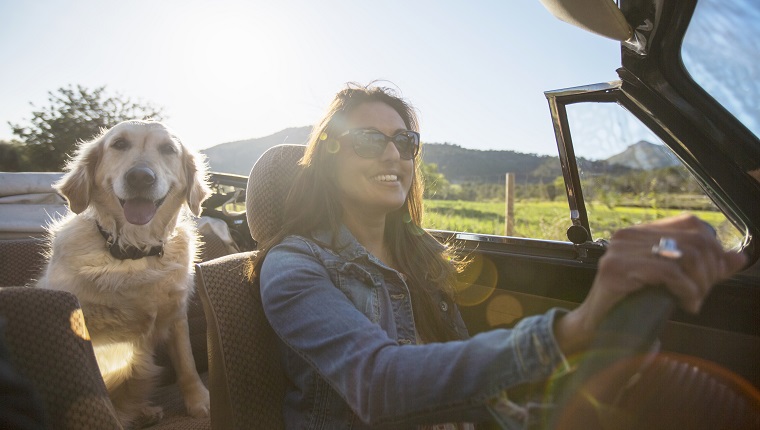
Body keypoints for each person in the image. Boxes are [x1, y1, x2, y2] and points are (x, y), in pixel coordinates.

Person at [252, 83, 747, 429]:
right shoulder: (293, 267)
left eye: (405, 141)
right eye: (368, 140)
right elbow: (379, 384)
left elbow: (458, 374)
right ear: (328, 157)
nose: (392, 155)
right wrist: (574, 331)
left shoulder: (421, 253)